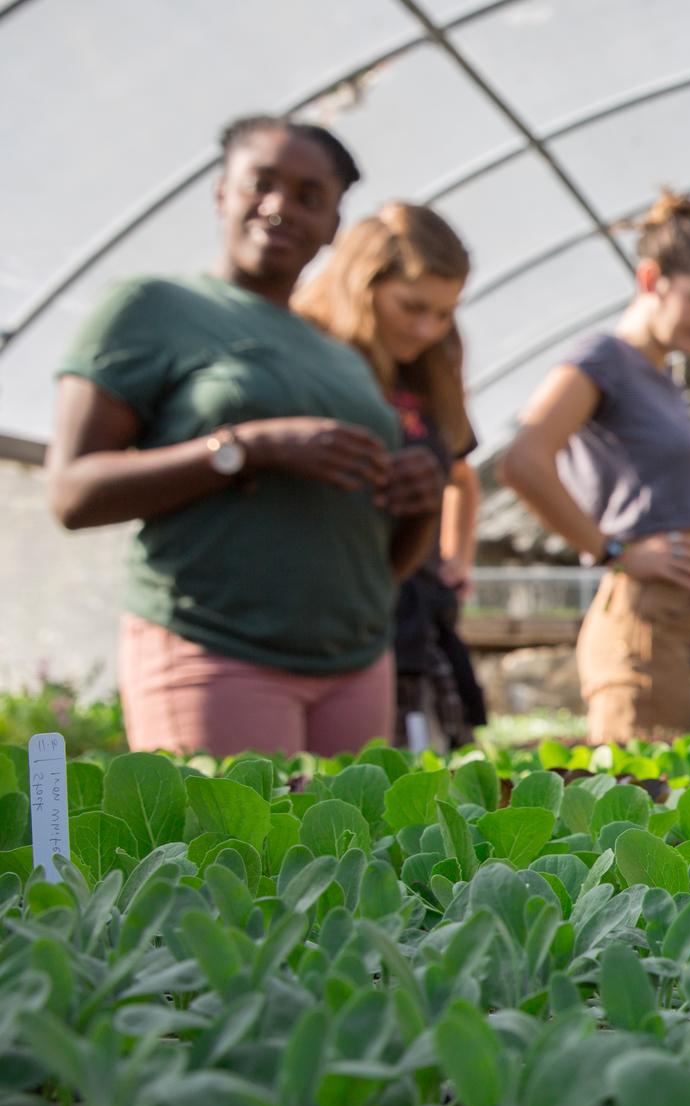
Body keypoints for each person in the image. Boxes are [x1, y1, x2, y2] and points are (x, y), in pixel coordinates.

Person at [44, 116, 444, 758]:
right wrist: (248, 448)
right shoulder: (152, 308)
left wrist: (423, 505)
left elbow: (377, 558)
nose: (280, 206)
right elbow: (71, 493)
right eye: (262, 183)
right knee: (233, 853)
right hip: (217, 649)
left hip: (357, 658)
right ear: (221, 192)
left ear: (335, 226)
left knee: (355, 854)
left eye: (310, 197)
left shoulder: (341, 357)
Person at [497, 189, 690, 743]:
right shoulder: (603, 359)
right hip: (646, 627)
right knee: (642, 805)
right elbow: (523, 461)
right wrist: (611, 549)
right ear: (650, 280)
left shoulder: (661, 379)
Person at [295, 202, 489, 751]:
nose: (428, 328)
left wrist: (459, 557)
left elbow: (460, 475)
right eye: (412, 307)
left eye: (445, 313)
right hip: (322, 610)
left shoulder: (431, 366)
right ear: (363, 283)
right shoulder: (311, 354)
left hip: (409, 618)